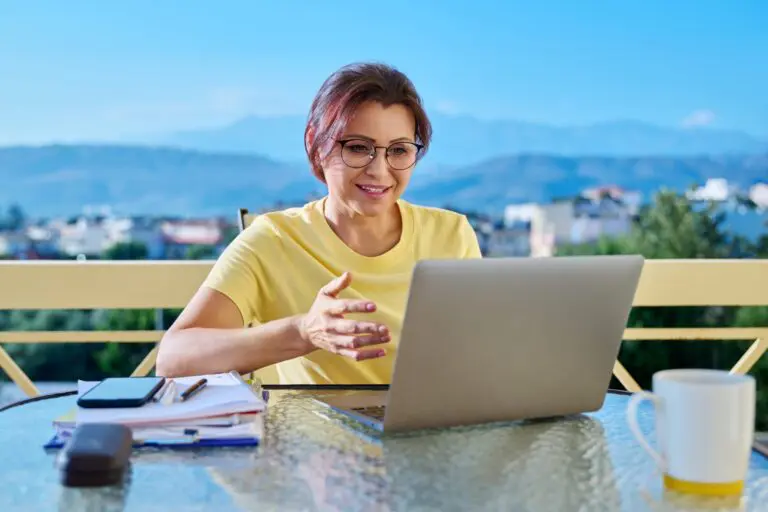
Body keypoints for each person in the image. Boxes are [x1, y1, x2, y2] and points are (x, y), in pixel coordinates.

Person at [156, 62, 482, 384]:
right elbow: (173, 358)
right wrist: (303, 331)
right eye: (357, 148)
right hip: (314, 435)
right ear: (317, 144)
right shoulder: (274, 240)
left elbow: (483, 352)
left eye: (398, 150)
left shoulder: (451, 235)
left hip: (430, 430)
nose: (380, 171)